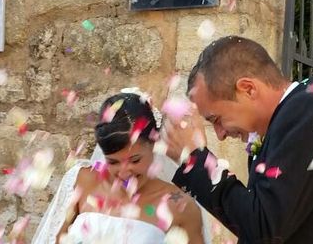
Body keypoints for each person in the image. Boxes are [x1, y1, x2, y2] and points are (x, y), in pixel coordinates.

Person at [161, 36, 313, 243]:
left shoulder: (306, 111)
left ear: (248, 89)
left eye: (217, 119)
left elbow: (264, 227)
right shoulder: (300, 110)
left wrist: (197, 162)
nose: (220, 134)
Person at [32, 90, 207, 243]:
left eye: (135, 160)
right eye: (113, 162)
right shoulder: (82, 180)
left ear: (154, 145)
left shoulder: (180, 206)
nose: (123, 173)